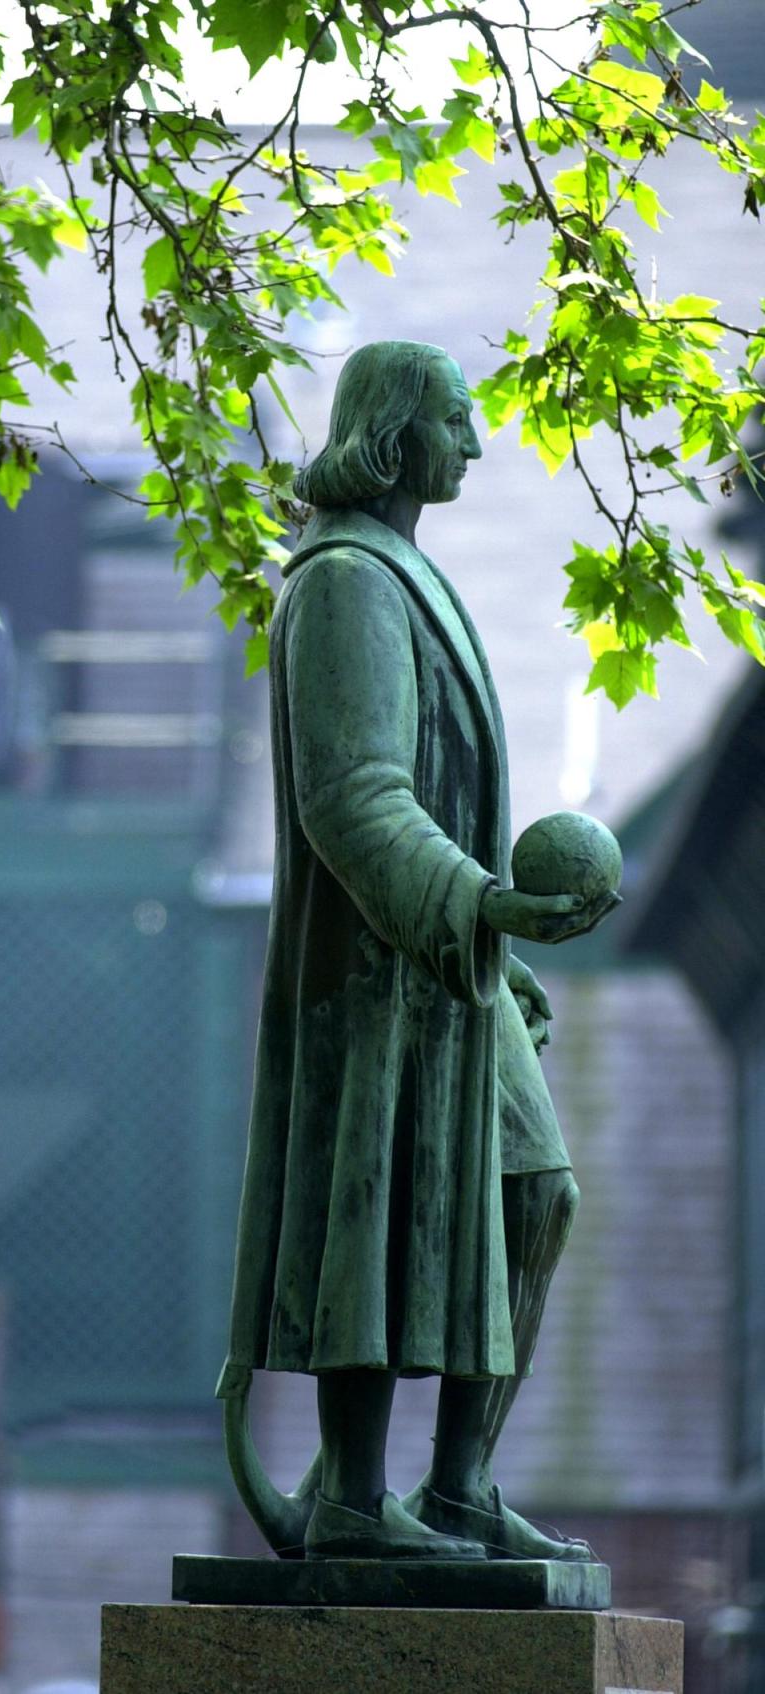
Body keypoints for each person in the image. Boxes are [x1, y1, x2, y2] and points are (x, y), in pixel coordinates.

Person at [217, 340, 615, 1562]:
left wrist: (498, 935)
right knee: (378, 1214)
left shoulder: (399, 571)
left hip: (446, 960)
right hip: (376, 971)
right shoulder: (342, 580)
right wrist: (481, 905)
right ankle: (350, 1497)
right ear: (395, 433)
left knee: (533, 1190)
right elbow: (356, 799)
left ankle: (455, 1487)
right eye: (455, 419)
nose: (477, 444)